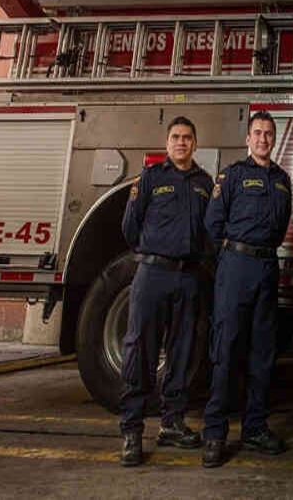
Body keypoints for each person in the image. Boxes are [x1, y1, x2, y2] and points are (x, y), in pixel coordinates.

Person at [118, 116, 214, 467]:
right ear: (167, 141)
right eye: (175, 137)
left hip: (188, 276)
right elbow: (130, 225)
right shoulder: (151, 178)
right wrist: (152, 250)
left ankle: (172, 422)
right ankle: (131, 429)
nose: (181, 143)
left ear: (195, 143)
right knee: (140, 349)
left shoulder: (204, 183)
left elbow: (209, 230)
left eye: (187, 137)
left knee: (183, 352)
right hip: (153, 274)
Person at [201, 110, 293, 468]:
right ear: (247, 139)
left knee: (262, 353)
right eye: (257, 133)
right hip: (236, 266)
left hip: (267, 266)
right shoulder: (233, 176)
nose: (263, 139)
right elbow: (213, 222)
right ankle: (215, 433)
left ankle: (255, 427)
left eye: (269, 133)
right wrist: (230, 257)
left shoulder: (282, 180)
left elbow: (282, 223)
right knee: (226, 349)